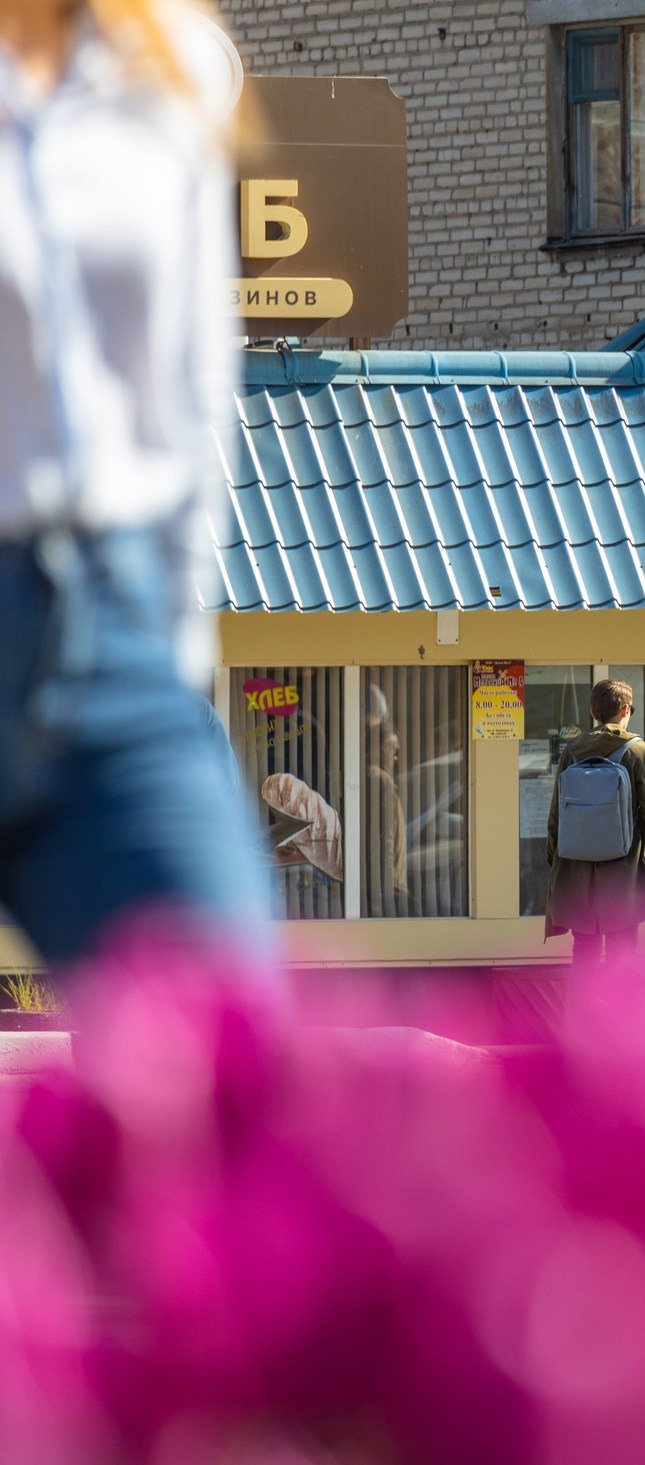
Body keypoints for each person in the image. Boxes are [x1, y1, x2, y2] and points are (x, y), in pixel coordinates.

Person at [0, 0, 271, 968]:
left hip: (109, 632)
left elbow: (196, 388)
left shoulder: (171, 61)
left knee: (222, 1027)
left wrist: (171, 644)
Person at [545, 678, 645, 965]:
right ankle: (618, 997)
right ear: (625, 709)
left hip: (577, 868)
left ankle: (584, 997)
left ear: (594, 712)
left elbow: (557, 816)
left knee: (584, 949)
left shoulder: (573, 750)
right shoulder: (639, 751)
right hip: (624, 869)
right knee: (622, 949)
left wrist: (555, 868)